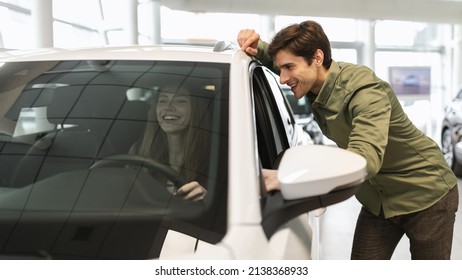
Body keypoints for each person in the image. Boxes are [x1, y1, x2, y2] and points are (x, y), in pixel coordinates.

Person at [237, 20, 459, 260]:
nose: (282, 78)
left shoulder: (364, 91)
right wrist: (256, 46)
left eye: (288, 68)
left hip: (426, 194)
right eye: (281, 69)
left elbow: (365, 160)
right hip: (378, 201)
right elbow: (282, 63)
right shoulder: (311, 79)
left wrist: (291, 178)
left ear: (318, 58)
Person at [129, 80, 213, 201]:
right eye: (163, 100)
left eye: (180, 101)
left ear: (196, 109)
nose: (168, 107)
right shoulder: (139, 151)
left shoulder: (216, 159)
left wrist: (208, 201)